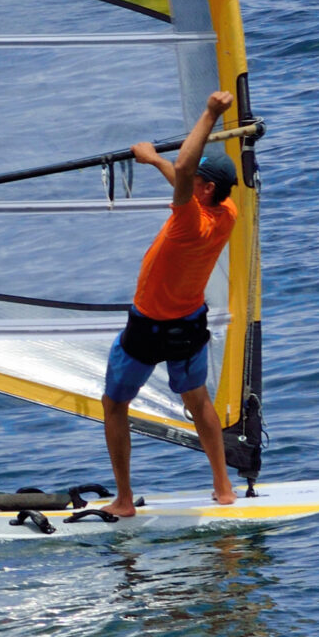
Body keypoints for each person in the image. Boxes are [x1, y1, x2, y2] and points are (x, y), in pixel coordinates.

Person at [101, 90, 241, 516]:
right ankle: (223, 488)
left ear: (205, 188)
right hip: (190, 327)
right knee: (197, 401)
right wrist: (153, 160)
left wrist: (211, 113)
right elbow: (181, 175)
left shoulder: (187, 225)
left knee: (114, 404)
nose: (186, 180)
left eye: (195, 180)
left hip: (148, 329)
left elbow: (183, 168)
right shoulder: (228, 211)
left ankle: (124, 500)